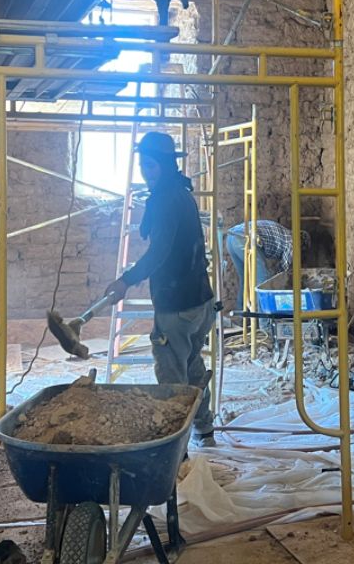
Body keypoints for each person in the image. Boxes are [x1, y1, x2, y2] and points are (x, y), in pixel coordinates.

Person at [102, 132, 218, 447]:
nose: (145, 173)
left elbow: (160, 251)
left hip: (178, 306)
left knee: (171, 381)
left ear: (166, 166)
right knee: (193, 369)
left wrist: (127, 279)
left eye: (150, 167)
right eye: (142, 166)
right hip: (201, 302)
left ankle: (174, 453)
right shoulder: (182, 193)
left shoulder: (166, 199)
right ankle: (205, 432)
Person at [223, 220, 308, 305]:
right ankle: (262, 316)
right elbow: (283, 271)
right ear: (300, 244)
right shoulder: (292, 242)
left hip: (231, 237)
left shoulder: (284, 234)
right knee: (262, 280)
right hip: (245, 239)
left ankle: (240, 314)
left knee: (245, 279)